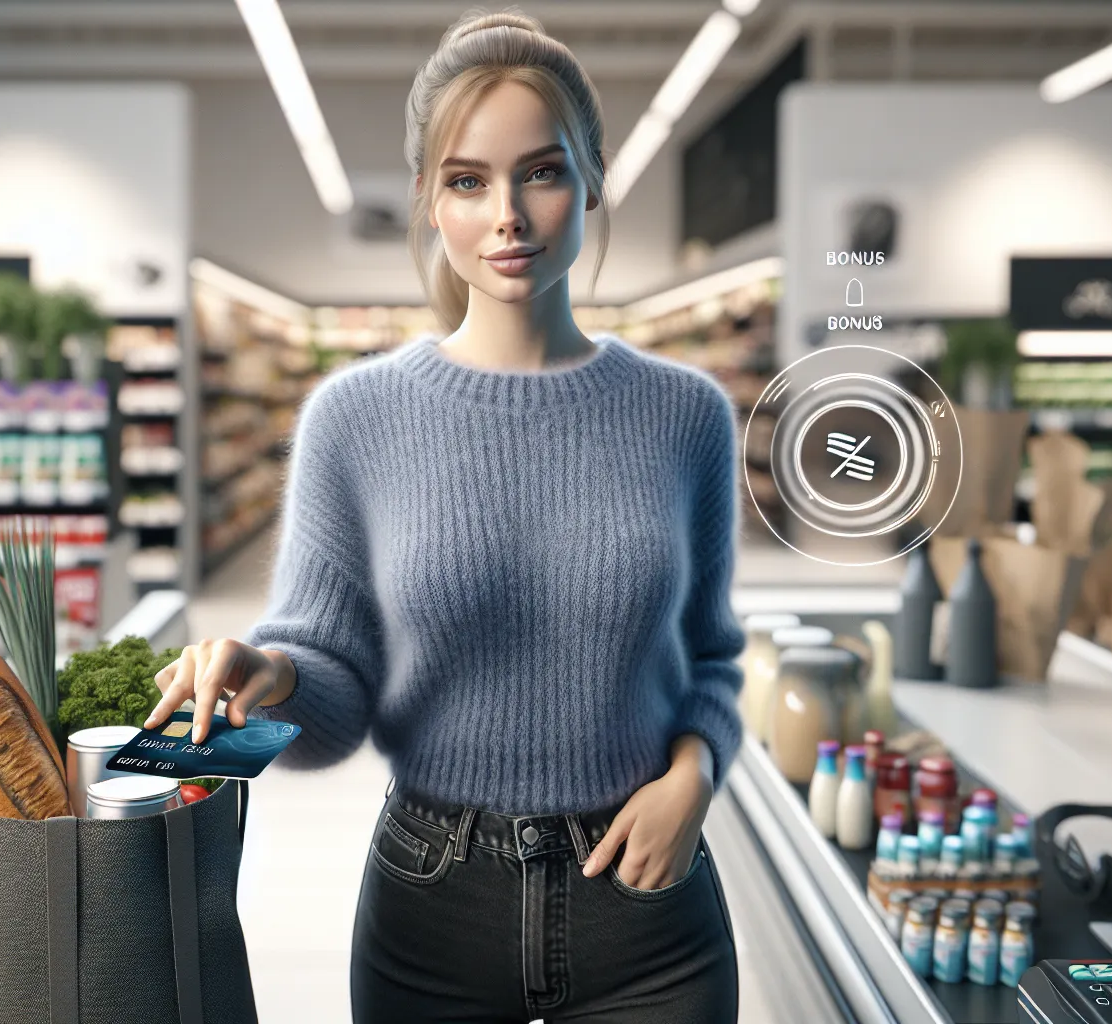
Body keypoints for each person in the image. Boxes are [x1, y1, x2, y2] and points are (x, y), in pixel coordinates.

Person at [146, 8, 745, 1021]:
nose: (506, 214)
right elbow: (332, 693)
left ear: (593, 180)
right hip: (434, 904)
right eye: (467, 181)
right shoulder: (355, 417)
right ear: (429, 201)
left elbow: (714, 661)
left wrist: (695, 776)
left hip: (649, 904)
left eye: (541, 172)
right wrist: (271, 671)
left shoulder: (685, 414)